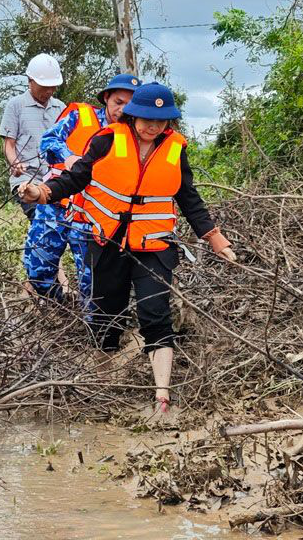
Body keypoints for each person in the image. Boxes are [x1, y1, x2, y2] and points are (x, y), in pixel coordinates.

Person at [17, 82, 235, 417]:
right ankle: (104, 378)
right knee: (107, 315)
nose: (153, 126)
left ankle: (162, 398)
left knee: (155, 314)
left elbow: (188, 197)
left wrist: (214, 237)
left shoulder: (175, 149)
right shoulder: (106, 140)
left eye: (161, 121)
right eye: (147, 119)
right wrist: (42, 193)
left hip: (154, 244)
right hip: (107, 243)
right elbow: (76, 179)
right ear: (133, 116)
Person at [38, 72, 139, 312]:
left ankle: (90, 327)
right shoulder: (80, 115)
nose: (122, 109)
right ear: (106, 98)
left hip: (91, 216)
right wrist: (68, 156)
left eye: (129, 104)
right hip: (56, 205)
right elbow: (48, 140)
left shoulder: (134, 134)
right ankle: (57, 307)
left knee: (91, 280)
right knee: (39, 269)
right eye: (118, 102)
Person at [0, 53, 75, 300]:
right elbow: (8, 144)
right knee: (44, 224)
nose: (48, 91)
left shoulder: (61, 108)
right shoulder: (16, 105)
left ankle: (37, 286)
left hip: (56, 182)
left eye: (52, 87)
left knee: (56, 230)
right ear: (30, 81)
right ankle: (53, 287)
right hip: (26, 181)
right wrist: (15, 162)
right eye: (44, 86)